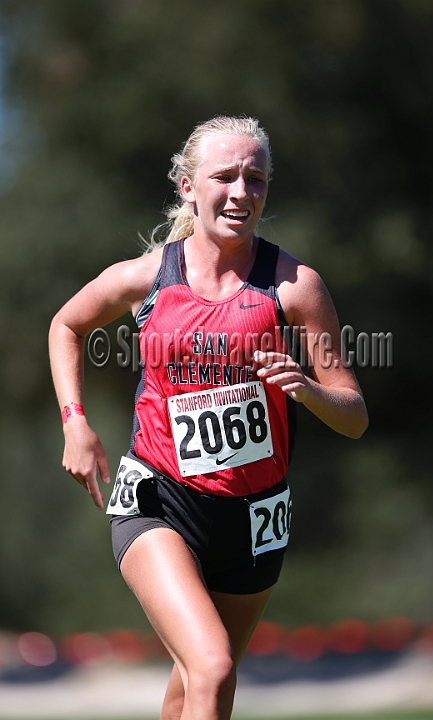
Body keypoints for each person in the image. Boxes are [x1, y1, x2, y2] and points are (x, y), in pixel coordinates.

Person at [49, 115, 368, 720]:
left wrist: (308, 389)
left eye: (256, 178)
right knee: (214, 666)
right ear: (187, 186)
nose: (242, 193)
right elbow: (66, 325)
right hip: (158, 499)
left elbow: (353, 414)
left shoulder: (295, 287)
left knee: (194, 684)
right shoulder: (148, 278)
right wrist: (75, 420)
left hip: (255, 517)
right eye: (225, 176)